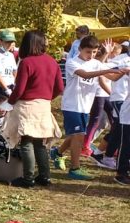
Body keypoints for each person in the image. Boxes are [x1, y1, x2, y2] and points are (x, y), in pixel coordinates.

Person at [54, 36, 127, 181]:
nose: (91, 56)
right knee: (79, 136)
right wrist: (104, 69)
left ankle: (57, 152)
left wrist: (123, 72)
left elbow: (112, 78)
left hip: (85, 106)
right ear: (80, 49)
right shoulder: (72, 62)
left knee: (75, 136)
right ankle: (74, 168)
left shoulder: (95, 63)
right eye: (88, 52)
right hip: (72, 105)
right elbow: (85, 74)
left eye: (94, 52)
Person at [2, 30, 63, 187]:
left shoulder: (27, 62)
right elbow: (59, 87)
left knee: (26, 141)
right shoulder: (52, 62)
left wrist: (10, 102)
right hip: (44, 105)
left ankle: (28, 178)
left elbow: (20, 88)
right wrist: (47, 97)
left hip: (27, 105)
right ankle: (45, 176)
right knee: (39, 142)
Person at [94, 40, 130, 169]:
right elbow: (101, 68)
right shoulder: (122, 59)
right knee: (121, 129)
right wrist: (106, 55)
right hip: (120, 98)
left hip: (125, 99)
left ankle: (99, 154)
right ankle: (108, 156)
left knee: (117, 128)